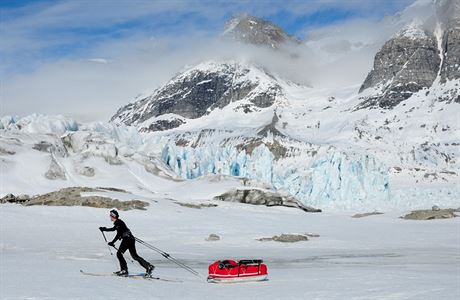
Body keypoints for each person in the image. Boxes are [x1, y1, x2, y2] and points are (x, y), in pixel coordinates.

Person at [99, 209, 154, 277]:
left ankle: (124, 270)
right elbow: (114, 229)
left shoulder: (118, 222)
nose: (110, 217)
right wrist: (104, 229)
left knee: (119, 254)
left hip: (127, 240)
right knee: (135, 256)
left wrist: (112, 242)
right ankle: (148, 266)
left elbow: (118, 234)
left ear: (114, 216)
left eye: (111, 215)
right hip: (130, 239)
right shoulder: (118, 222)